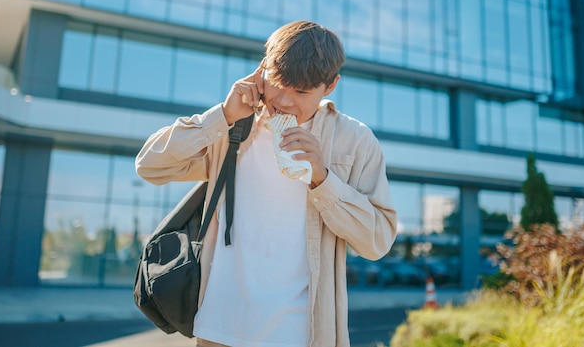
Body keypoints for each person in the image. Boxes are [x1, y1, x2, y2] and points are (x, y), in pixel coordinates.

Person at [135, 20, 397, 347]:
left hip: (299, 334)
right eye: (278, 84)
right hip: (219, 328)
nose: (285, 102)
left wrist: (323, 179)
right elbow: (150, 165)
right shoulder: (234, 128)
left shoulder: (354, 141)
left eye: (301, 92)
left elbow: (378, 240)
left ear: (330, 86)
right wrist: (223, 116)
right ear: (262, 71)